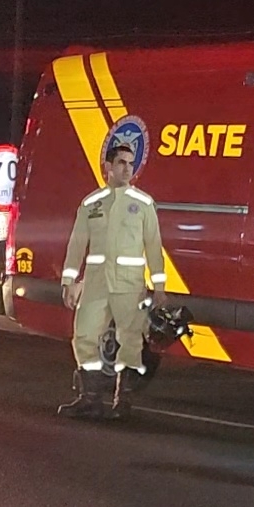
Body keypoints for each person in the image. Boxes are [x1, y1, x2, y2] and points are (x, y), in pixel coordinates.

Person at [57, 143, 168, 420]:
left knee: (130, 340)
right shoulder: (91, 204)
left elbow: (154, 247)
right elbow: (77, 244)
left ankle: (123, 401)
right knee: (84, 336)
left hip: (129, 285)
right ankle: (90, 398)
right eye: (121, 162)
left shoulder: (142, 204)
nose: (127, 168)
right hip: (96, 283)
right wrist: (69, 280)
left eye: (130, 163)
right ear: (108, 166)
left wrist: (160, 287)